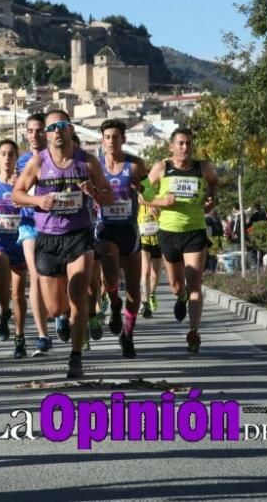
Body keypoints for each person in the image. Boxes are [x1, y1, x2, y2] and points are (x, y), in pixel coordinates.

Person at [12, 110, 113, 378]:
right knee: (55, 307)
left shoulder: (88, 161)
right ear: (46, 133)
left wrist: (95, 193)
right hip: (47, 238)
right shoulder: (37, 162)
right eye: (52, 127)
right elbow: (17, 194)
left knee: (78, 291)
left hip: (79, 236)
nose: (57, 131)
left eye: (62, 126)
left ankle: (76, 357)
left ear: (70, 129)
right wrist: (37, 201)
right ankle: (64, 316)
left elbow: (109, 196)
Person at [148, 127, 218, 353]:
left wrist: (211, 199)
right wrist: (160, 201)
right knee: (177, 285)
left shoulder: (202, 167)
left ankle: (194, 332)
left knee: (195, 283)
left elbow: (214, 183)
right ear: (171, 146)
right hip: (169, 232)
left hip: (195, 231)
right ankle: (181, 296)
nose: (185, 148)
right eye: (180, 143)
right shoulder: (162, 167)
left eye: (189, 143)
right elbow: (141, 194)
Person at [96, 119, 149, 358]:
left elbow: (151, 192)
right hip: (105, 228)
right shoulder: (95, 167)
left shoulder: (136, 165)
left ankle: (127, 335)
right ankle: (113, 303)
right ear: (102, 140)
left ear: (123, 139)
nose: (111, 141)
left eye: (116, 137)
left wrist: (143, 189)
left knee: (135, 292)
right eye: (107, 137)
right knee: (110, 277)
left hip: (129, 229)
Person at [0, 139, 29, 358]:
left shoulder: (23, 184)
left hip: (19, 242)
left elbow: (34, 208)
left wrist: (23, 195)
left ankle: (19, 338)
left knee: (19, 294)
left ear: (16, 158)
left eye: (11, 154)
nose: (7, 158)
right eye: (3, 153)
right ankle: (3, 313)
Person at [16, 113, 53, 356]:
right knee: (36, 275)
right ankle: (42, 334)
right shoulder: (22, 161)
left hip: (54, 223)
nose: (34, 135)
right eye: (30, 130)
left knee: (56, 276)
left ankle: (59, 315)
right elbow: (17, 193)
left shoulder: (56, 158)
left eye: (39, 130)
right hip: (29, 224)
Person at [137, 178, 161, 318]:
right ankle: (144, 302)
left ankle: (152, 293)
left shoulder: (158, 196)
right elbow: (139, 200)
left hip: (157, 237)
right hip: (143, 237)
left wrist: (157, 211)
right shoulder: (139, 197)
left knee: (155, 274)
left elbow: (165, 211)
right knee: (145, 271)